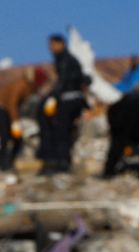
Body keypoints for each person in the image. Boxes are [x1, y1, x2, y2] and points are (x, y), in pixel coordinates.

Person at [38, 33, 86, 174]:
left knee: (61, 131)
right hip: (69, 98)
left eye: (52, 45)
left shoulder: (65, 60)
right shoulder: (62, 59)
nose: (50, 48)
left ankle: (61, 162)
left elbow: (65, 81)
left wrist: (52, 96)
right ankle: (57, 159)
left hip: (69, 99)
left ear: (61, 44)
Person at [0, 67, 48, 170]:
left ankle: (9, 162)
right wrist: (15, 122)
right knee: (5, 138)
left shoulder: (30, 87)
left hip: (7, 112)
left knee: (17, 140)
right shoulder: (21, 85)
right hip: (0, 110)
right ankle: (2, 164)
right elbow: (12, 104)